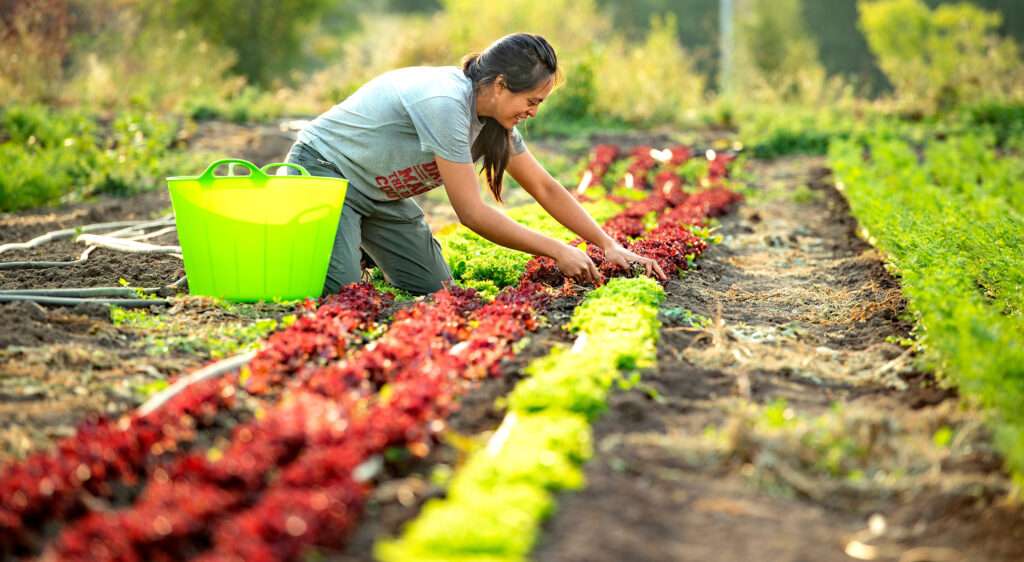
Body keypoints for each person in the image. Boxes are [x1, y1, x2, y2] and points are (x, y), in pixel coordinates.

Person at [285, 32, 666, 296]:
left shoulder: (494, 120)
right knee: (343, 292)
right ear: (500, 85)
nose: (532, 112)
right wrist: (557, 249)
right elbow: (471, 213)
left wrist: (607, 244)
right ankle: (343, 241)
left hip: (378, 194)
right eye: (531, 101)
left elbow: (545, 187)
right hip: (325, 173)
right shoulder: (446, 103)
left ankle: (356, 241)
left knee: (434, 286)